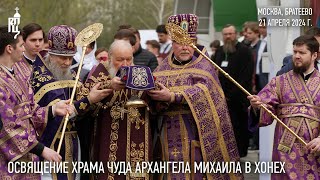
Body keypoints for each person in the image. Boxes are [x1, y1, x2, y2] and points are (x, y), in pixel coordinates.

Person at [149, 14, 243, 179]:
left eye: (190, 43)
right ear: (172, 44)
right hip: (166, 133)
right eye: (180, 43)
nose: (185, 48)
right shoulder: (161, 68)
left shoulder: (204, 66)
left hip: (195, 132)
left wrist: (173, 97)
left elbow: (204, 92)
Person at [30, 25, 110, 180]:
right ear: (51, 54)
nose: (67, 62)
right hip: (50, 144)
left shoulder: (72, 75)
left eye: (70, 57)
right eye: (63, 58)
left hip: (73, 142)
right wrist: (89, 100)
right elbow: (61, 112)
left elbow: (80, 108)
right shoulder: (39, 78)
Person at [0, 25, 72, 179]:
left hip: (30, 158)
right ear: (9, 49)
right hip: (9, 161)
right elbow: (8, 126)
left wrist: (53, 109)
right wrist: (41, 149)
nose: (23, 49)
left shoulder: (20, 74)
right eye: (21, 45)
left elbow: (31, 110)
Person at [248, 35, 320, 179]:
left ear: (314, 55)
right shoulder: (280, 81)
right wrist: (257, 106)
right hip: (285, 150)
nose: (297, 56)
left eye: (302, 53)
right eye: (295, 52)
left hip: (314, 149)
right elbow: (266, 107)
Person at [78, 40, 152, 179]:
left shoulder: (140, 73)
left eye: (129, 59)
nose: (125, 64)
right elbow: (82, 101)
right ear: (110, 57)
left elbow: (154, 101)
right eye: (119, 60)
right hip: (107, 137)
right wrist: (109, 85)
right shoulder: (100, 73)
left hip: (136, 139)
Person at [213, 24, 254, 157]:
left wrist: (230, 96)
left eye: (231, 34)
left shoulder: (245, 51)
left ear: (236, 34)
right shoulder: (219, 51)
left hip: (238, 100)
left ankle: (239, 155)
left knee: (238, 129)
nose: (228, 37)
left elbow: (245, 77)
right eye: (225, 34)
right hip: (220, 99)